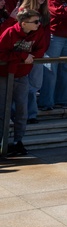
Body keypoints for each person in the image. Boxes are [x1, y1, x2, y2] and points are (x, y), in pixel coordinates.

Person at [0, 9, 49, 156]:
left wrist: (28, 56)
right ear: (23, 23)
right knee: (2, 110)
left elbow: (41, 49)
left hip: (22, 75)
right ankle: (2, 141)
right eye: (35, 22)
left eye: (38, 21)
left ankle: (18, 141)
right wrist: (22, 55)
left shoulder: (38, 32)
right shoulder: (9, 33)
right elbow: (1, 52)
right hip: (3, 75)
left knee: (22, 109)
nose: (38, 24)